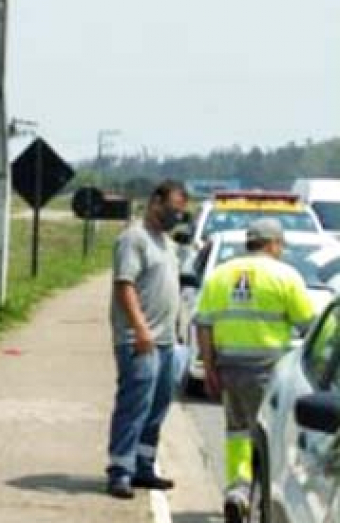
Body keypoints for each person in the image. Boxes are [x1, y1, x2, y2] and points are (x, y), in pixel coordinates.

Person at [194, 218, 315, 523]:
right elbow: (309, 323)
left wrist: (209, 368)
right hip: (270, 372)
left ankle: (237, 491)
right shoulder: (285, 276)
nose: (282, 250)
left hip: (230, 369)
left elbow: (204, 325)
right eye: (281, 245)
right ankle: (263, 499)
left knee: (237, 431)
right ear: (273, 243)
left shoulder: (220, 275)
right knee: (270, 436)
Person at [105, 180, 189, 499]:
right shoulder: (134, 238)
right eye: (171, 210)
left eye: (180, 214)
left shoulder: (165, 243)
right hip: (138, 338)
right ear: (155, 202)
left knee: (158, 406)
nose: (174, 218)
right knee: (135, 404)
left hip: (166, 341)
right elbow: (124, 286)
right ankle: (120, 470)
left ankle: (143, 464)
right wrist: (140, 330)